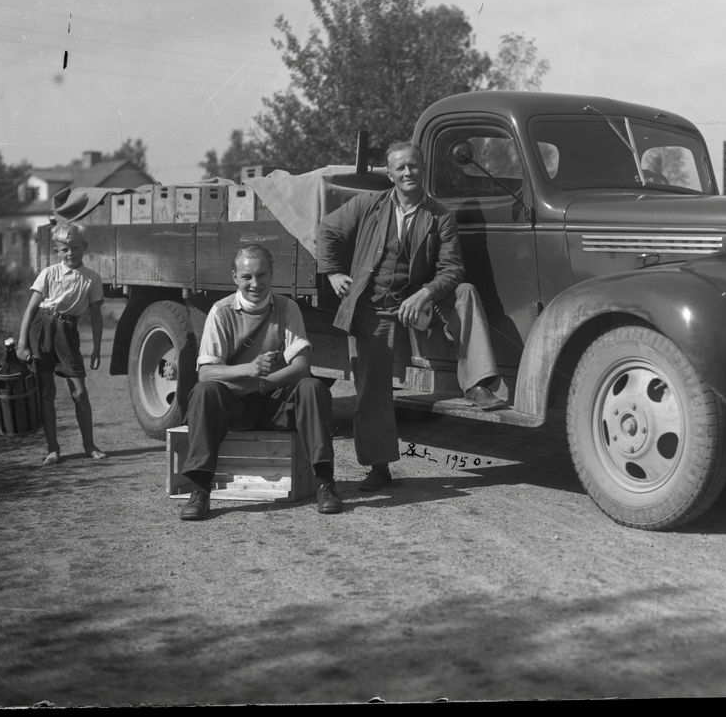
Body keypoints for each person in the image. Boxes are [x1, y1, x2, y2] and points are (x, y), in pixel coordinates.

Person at [318, 141, 506, 493]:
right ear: (390, 174)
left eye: (413, 166)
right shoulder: (368, 204)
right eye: (400, 168)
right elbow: (328, 229)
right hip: (373, 306)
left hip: (419, 303)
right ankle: (379, 468)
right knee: (371, 392)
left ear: (423, 170)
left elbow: (453, 269)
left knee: (465, 292)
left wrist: (425, 294)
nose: (408, 173)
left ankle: (477, 384)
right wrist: (333, 272)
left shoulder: (439, 215)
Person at [177, 244, 339, 521]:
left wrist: (260, 384)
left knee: (312, 387)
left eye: (262, 274)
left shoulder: (287, 308)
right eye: (246, 276)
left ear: (272, 273)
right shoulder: (221, 311)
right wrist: (249, 369)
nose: (255, 283)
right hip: (237, 406)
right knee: (204, 392)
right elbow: (206, 373)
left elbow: (301, 367)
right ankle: (200, 489)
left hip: (276, 404)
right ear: (234, 277)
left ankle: (325, 483)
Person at [17, 221, 106, 465]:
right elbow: (31, 309)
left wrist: (97, 348)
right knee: (47, 392)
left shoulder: (92, 278)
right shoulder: (49, 273)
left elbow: (96, 316)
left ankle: (89, 445)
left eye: (75, 248)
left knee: (80, 392)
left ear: (84, 246)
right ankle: (53, 448)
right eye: (64, 249)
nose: (70, 253)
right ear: (57, 251)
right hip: (42, 329)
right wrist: (22, 343)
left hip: (67, 333)